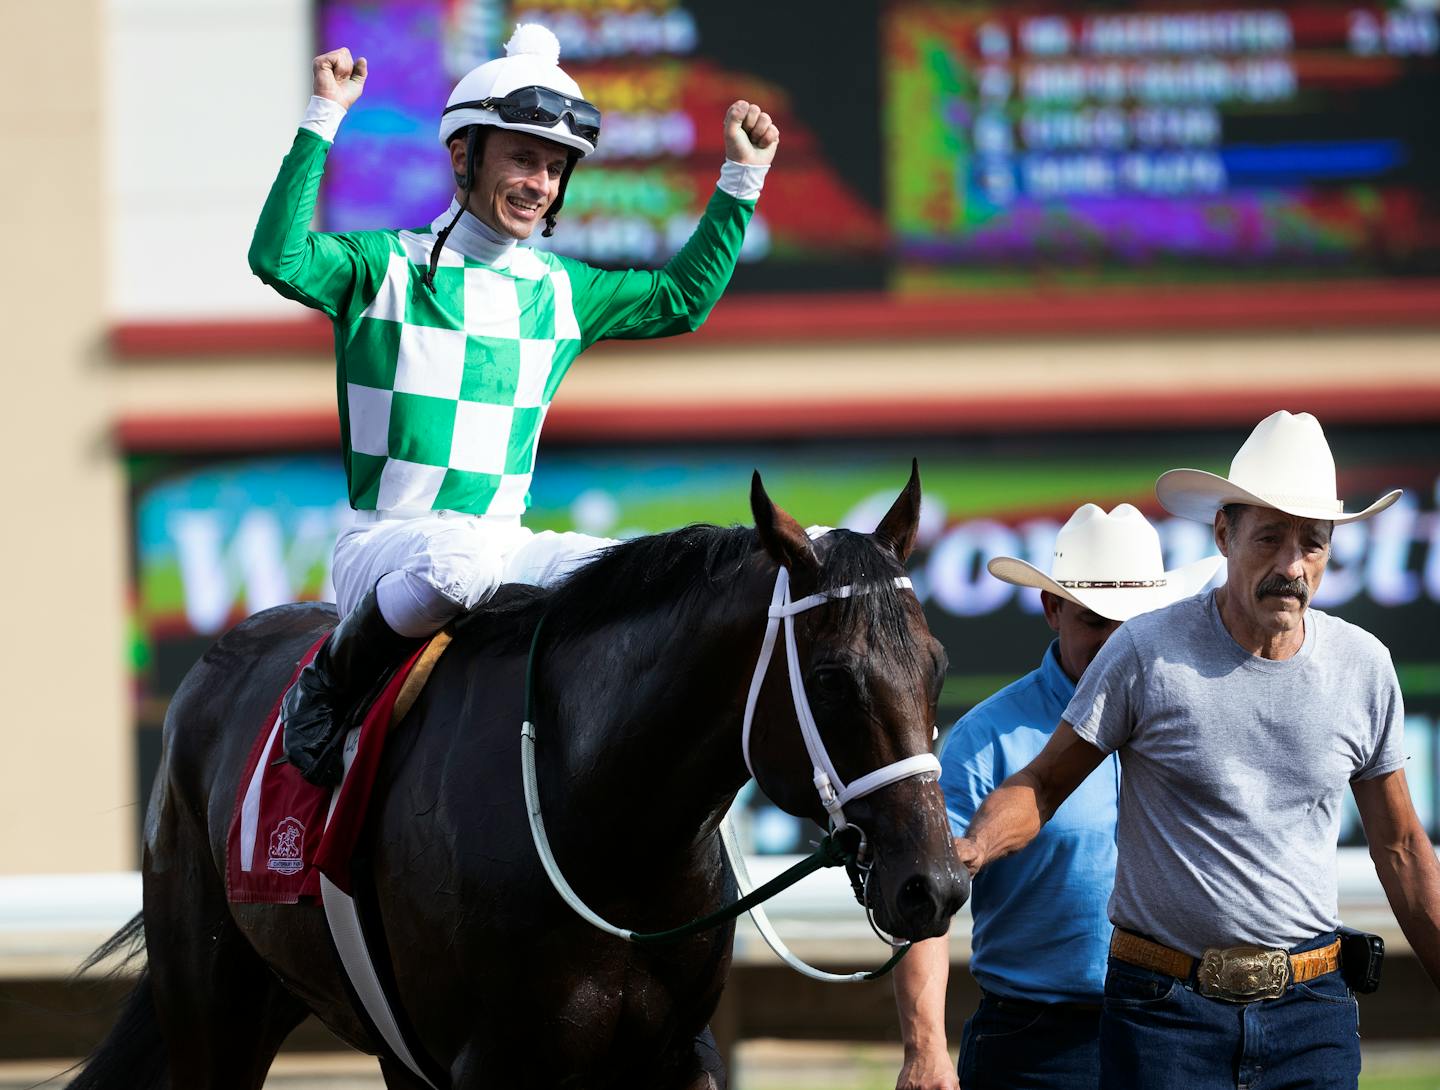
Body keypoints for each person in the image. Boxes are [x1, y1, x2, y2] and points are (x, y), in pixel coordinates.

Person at [248, 24, 779, 785]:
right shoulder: (382, 267)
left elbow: (681, 300)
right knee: (458, 564)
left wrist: (740, 178)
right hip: (391, 548)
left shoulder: (563, 291)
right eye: (524, 158)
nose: (541, 184)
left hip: (507, 545)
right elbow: (278, 255)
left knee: (639, 575)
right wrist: (324, 115)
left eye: (556, 168)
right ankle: (328, 683)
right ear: (463, 156)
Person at [954, 410, 1440, 1090]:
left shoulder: (1364, 667)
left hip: (1313, 1013)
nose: (1291, 566)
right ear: (1223, 534)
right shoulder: (1145, 653)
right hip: (1164, 1019)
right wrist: (970, 850)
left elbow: (1402, 849)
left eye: (1313, 543)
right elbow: (1042, 783)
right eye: (1270, 537)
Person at [894, 504, 1221, 1090]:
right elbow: (927, 902)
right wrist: (925, 1050)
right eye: (1096, 621)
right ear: (1053, 610)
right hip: (1035, 1046)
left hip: (1182, 1027)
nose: (1117, 642)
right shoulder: (987, 737)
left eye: (1135, 621)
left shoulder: (1198, 719)